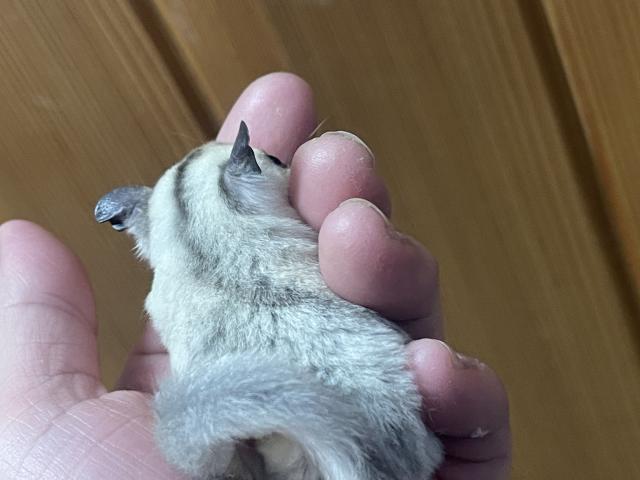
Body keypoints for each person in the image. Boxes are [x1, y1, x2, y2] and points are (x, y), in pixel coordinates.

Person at [0, 73, 510, 479]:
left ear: (143, 230)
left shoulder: (167, 296)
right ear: (251, 176)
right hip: (382, 444)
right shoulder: (283, 228)